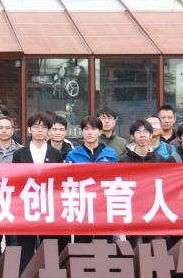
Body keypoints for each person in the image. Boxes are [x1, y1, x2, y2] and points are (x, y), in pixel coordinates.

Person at [11, 113, 65, 266]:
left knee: (49, 247)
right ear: (29, 129)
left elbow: (60, 182)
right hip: (25, 208)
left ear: (48, 130)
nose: (40, 130)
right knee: (25, 248)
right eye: (36, 127)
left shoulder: (56, 154)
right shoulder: (19, 154)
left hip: (49, 208)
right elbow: (15, 182)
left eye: (44, 127)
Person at [65, 116, 118, 244]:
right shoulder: (73, 155)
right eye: (86, 129)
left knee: (104, 244)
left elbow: (117, 178)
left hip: (105, 205)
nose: (90, 132)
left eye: (94, 129)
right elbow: (67, 181)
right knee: (82, 244)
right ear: (82, 131)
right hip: (82, 205)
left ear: (100, 132)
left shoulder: (110, 154)